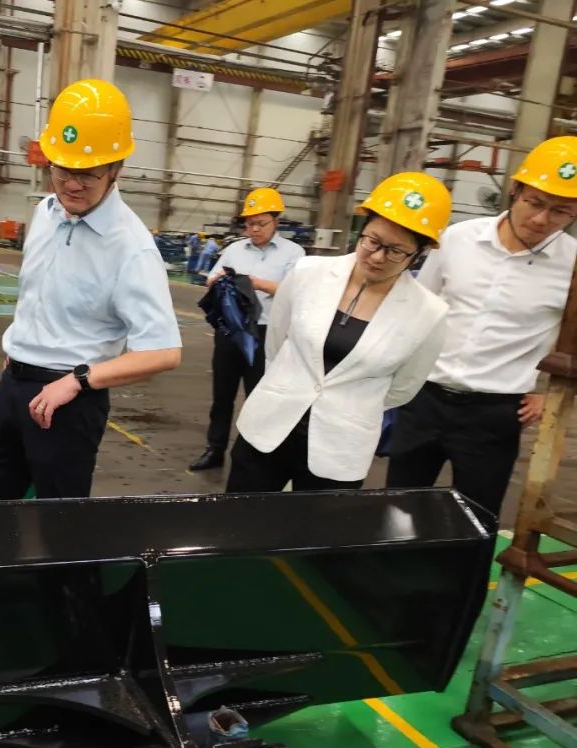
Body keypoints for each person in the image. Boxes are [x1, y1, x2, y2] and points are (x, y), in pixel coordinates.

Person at [0, 78, 182, 502]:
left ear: (116, 169)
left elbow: (163, 352)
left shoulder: (130, 247)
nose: (71, 184)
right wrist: (20, 348)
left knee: (58, 525)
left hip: (69, 400)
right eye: (62, 170)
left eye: (87, 174)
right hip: (13, 386)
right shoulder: (46, 214)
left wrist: (79, 380)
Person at [386, 137, 577, 533]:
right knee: (397, 506)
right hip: (425, 397)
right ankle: (387, 570)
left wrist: (548, 392)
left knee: (476, 520)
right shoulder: (458, 239)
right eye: (535, 202)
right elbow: (419, 306)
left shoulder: (572, 265)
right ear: (516, 189)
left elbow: (572, 340)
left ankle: (462, 576)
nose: (541, 220)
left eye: (561, 211)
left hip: (495, 412)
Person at [225, 172, 451, 493]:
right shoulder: (309, 272)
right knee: (240, 516)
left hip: (340, 448)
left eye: (395, 251)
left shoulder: (428, 313)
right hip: (268, 427)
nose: (377, 256)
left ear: (419, 253)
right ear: (362, 229)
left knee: (318, 524)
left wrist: (350, 403)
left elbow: (403, 388)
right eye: (372, 241)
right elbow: (277, 341)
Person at [189, 189, 305, 471]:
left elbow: (295, 291)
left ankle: (255, 453)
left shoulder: (294, 254)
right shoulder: (234, 250)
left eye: (260, 223)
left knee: (260, 396)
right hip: (231, 331)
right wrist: (221, 281)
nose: (254, 229)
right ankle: (215, 449)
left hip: (266, 334)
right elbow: (211, 279)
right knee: (222, 395)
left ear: (276, 221)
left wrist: (253, 282)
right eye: (249, 224)